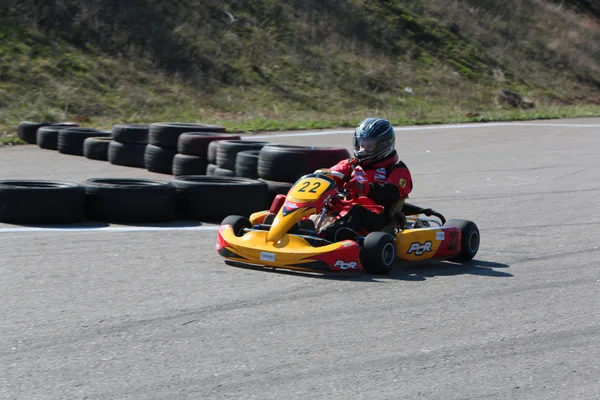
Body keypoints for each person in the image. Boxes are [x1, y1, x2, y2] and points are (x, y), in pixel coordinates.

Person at [317, 117, 413, 242]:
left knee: (355, 209)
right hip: (343, 206)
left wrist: (364, 187)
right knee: (294, 199)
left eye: (369, 145)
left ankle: (324, 239)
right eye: (362, 144)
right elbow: (331, 174)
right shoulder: (351, 164)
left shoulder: (396, 169)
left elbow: (392, 192)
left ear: (383, 145)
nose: (363, 149)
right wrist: (318, 177)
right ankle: (295, 229)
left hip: (376, 215)